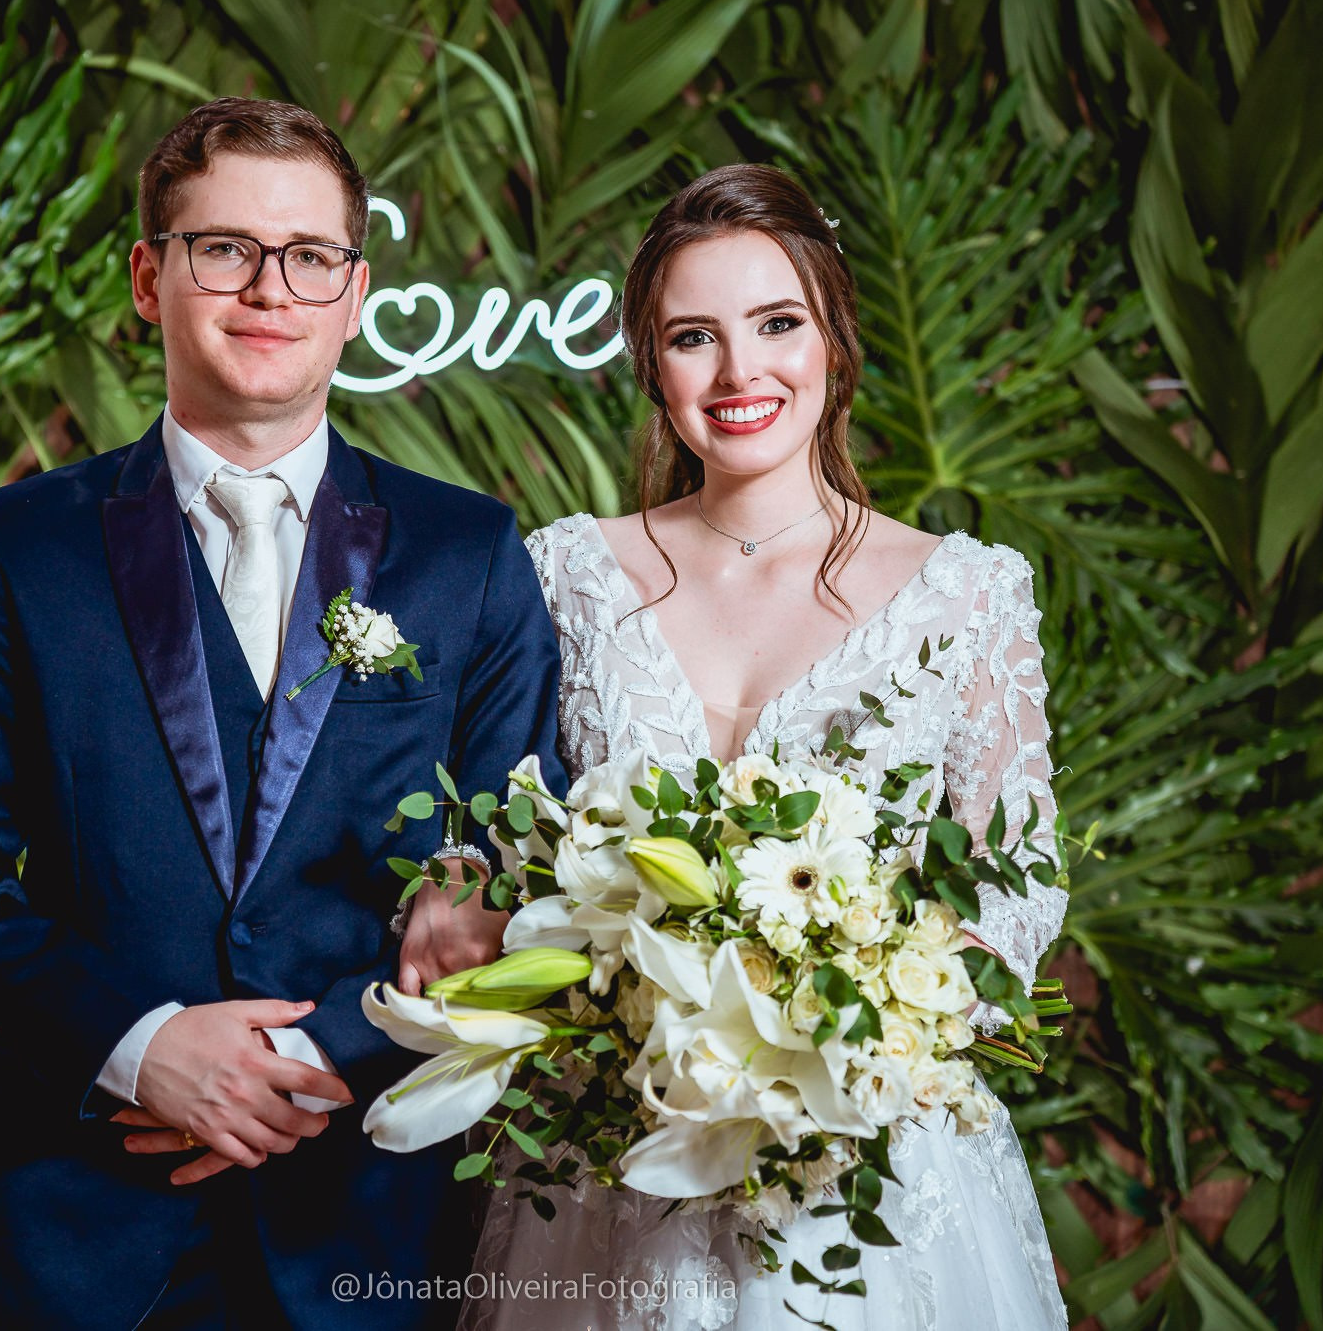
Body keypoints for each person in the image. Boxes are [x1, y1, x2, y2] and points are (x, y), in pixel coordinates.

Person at [0, 96, 562, 1329]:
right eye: (223, 249)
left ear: (354, 294)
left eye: (309, 257)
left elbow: (523, 880)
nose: (268, 290)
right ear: (150, 276)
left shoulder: (469, 555)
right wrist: (138, 1046)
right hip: (67, 1235)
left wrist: (316, 1059)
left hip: (367, 1234)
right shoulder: (17, 548)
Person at [455, 164, 1071, 1329]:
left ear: (833, 336)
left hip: (864, 1167)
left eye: (776, 324)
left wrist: (850, 1023)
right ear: (651, 365)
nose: (740, 374)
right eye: (694, 337)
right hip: (614, 1160)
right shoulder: (566, 575)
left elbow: (1019, 885)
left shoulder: (966, 593)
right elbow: (503, 845)